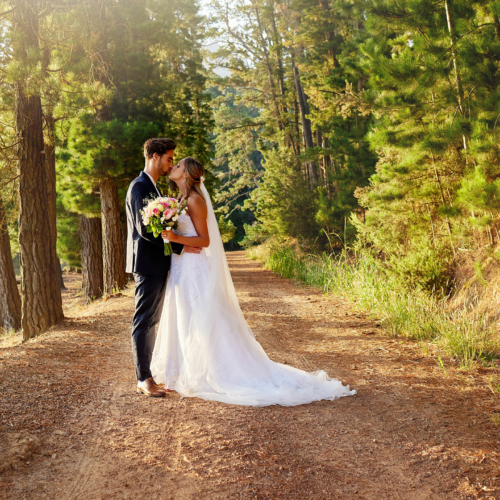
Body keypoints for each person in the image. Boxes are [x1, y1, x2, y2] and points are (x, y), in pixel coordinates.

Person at [150, 157, 356, 407]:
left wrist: (174, 237)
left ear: (187, 174)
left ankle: (217, 371)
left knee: (203, 319)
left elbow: (205, 241)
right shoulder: (179, 201)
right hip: (182, 267)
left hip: (195, 270)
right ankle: (183, 370)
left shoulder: (194, 200)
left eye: (178, 165)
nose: (173, 167)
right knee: (185, 316)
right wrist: (170, 237)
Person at [125, 139, 201, 397]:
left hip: (158, 263)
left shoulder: (154, 189)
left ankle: (148, 374)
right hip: (146, 264)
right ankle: (143, 378)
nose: (171, 164)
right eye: (169, 159)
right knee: (144, 320)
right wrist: (180, 247)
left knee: (152, 320)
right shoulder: (140, 187)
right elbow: (145, 230)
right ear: (155, 157)